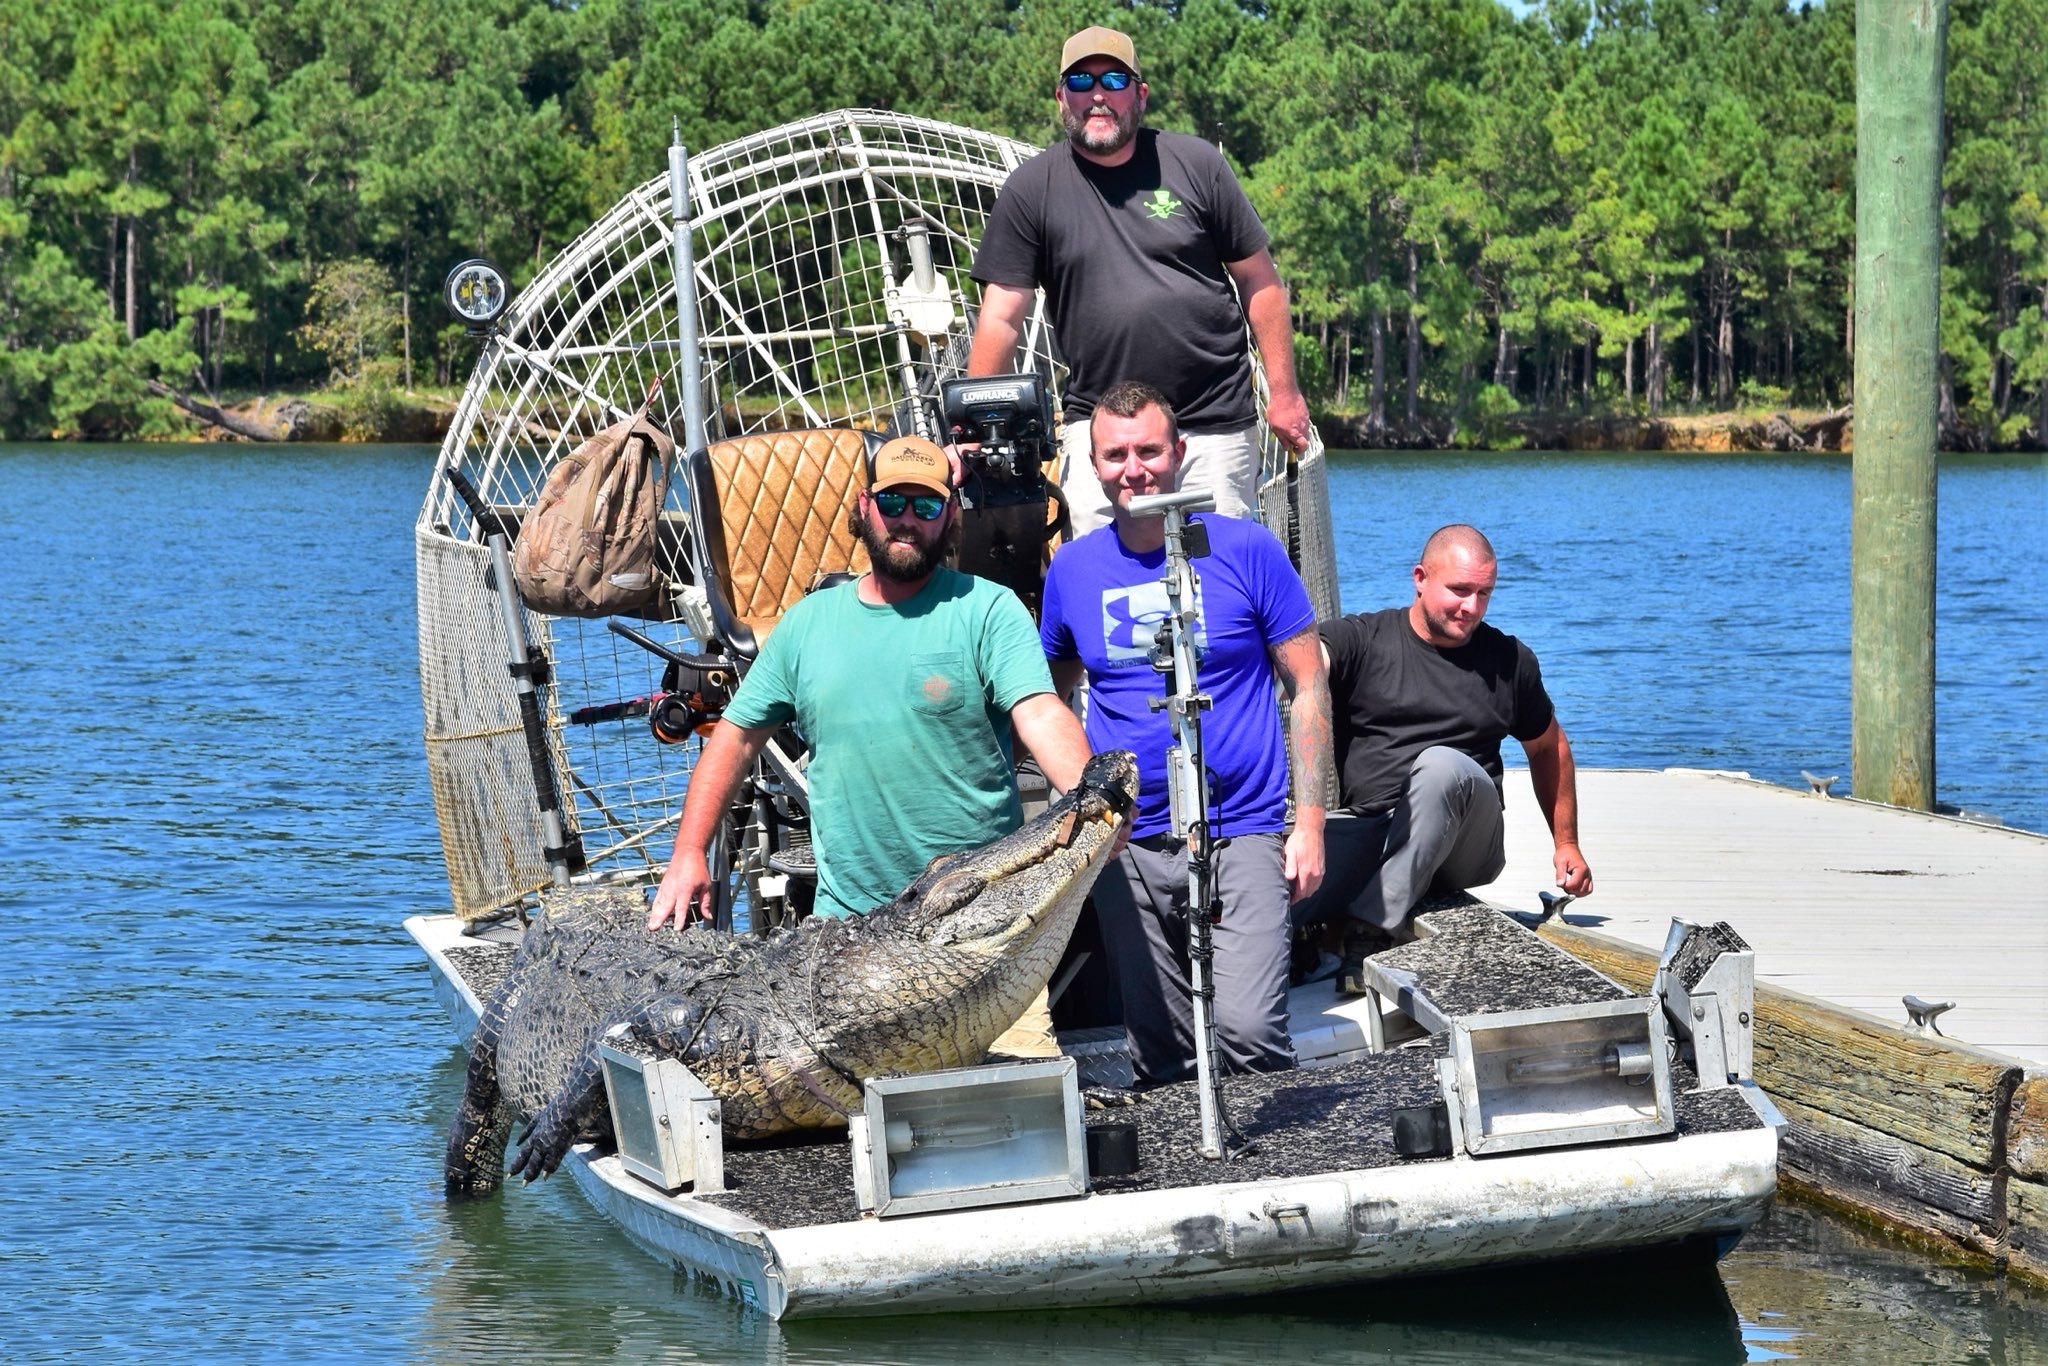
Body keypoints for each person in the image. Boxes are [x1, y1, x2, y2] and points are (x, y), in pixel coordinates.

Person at [648, 434, 1093, 934]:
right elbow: (735, 737)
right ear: (866, 505)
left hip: (987, 915)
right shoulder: (806, 624)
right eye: (891, 501)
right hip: (853, 930)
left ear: (949, 516)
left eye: (926, 504)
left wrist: (1093, 796)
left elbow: (1040, 712)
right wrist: (688, 852)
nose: (907, 519)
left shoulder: (989, 609)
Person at [1039, 381, 1331, 1086]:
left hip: (1246, 825)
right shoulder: (1073, 571)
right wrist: (1086, 814)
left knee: (1250, 1031)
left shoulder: (1248, 550)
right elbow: (1048, 701)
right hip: (1128, 844)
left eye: (1147, 450)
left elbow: (1308, 683)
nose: (1133, 469)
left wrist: (1312, 822)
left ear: (1180, 452)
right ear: (1093, 463)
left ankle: (1279, 1168)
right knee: (1161, 1048)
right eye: (1115, 454)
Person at [965, 25, 1313, 533]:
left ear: (1140, 94)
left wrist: (1284, 393)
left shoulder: (1198, 165)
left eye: (1114, 80)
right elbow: (1001, 316)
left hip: (1211, 420)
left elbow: (1261, 282)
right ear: (1062, 97)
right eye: (1081, 81)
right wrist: (977, 425)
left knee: (1218, 582)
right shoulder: (1030, 190)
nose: (1098, 95)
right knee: (1105, 583)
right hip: (1101, 428)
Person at [1293, 524, 1594, 995]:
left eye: (1484, 593)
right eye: (1459, 590)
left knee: (1441, 767)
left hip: (1464, 843)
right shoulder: (1364, 638)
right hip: (1376, 829)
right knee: (1262, 875)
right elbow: (1307, 663)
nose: (1471, 607)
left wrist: (1567, 843)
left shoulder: (1510, 660)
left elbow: (1547, 747)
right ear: (1420, 578)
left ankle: (1369, 935)